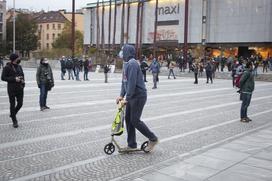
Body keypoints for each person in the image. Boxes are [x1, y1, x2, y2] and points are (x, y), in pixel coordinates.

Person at [117, 44, 158, 152]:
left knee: (135, 120)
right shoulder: (125, 64)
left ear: (127, 52)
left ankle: (153, 138)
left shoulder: (133, 64)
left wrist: (127, 97)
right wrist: (121, 95)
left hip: (138, 96)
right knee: (128, 119)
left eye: (123, 51)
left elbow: (132, 83)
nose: (121, 53)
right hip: (132, 96)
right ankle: (131, 144)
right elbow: (124, 82)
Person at [1, 53, 25, 128]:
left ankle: (12, 114)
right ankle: (14, 121)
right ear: (15, 59)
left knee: (20, 103)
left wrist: (23, 82)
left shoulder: (19, 66)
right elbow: (3, 78)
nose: (19, 59)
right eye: (18, 58)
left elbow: (22, 75)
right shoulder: (7, 67)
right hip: (11, 88)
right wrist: (14, 79)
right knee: (12, 104)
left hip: (20, 88)